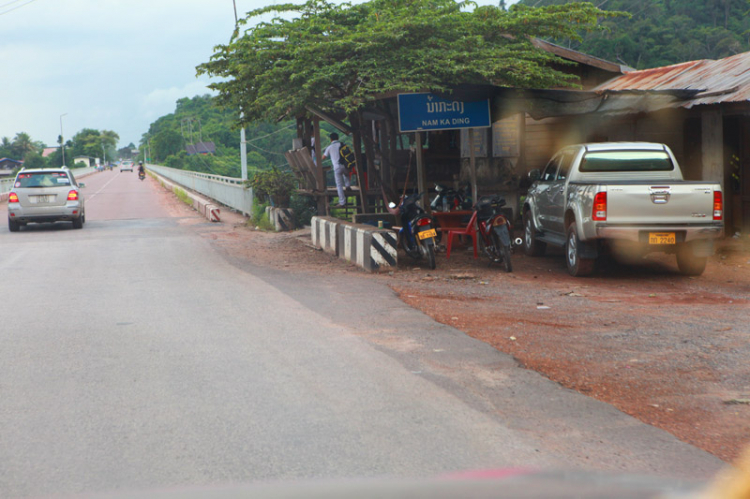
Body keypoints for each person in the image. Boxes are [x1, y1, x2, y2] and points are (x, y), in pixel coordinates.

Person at [322, 132, 350, 207]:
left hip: (337, 167)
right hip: (345, 166)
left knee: (339, 185)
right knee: (346, 175)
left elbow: (323, 157)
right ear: (337, 138)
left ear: (331, 139)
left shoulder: (329, 147)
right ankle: (347, 185)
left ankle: (342, 202)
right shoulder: (343, 145)